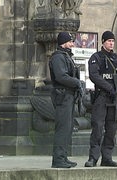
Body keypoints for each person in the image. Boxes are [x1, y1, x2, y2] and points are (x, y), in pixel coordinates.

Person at [84, 31, 117, 167]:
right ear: (103, 42)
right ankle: (93, 158)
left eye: (113, 41)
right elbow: (94, 75)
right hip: (101, 97)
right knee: (97, 127)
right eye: (109, 41)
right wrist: (109, 87)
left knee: (111, 128)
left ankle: (107, 157)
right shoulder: (96, 57)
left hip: (114, 99)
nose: (111, 43)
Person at [49, 32, 82, 168]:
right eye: (70, 41)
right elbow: (61, 76)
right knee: (62, 128)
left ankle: (63, 156)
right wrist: (77, 82)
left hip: (68, 96)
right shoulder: (58, 57)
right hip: (62, 96)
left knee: (68, 128)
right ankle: (58, 159)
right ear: (64, 42)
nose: (72, 44)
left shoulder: (66, 56)